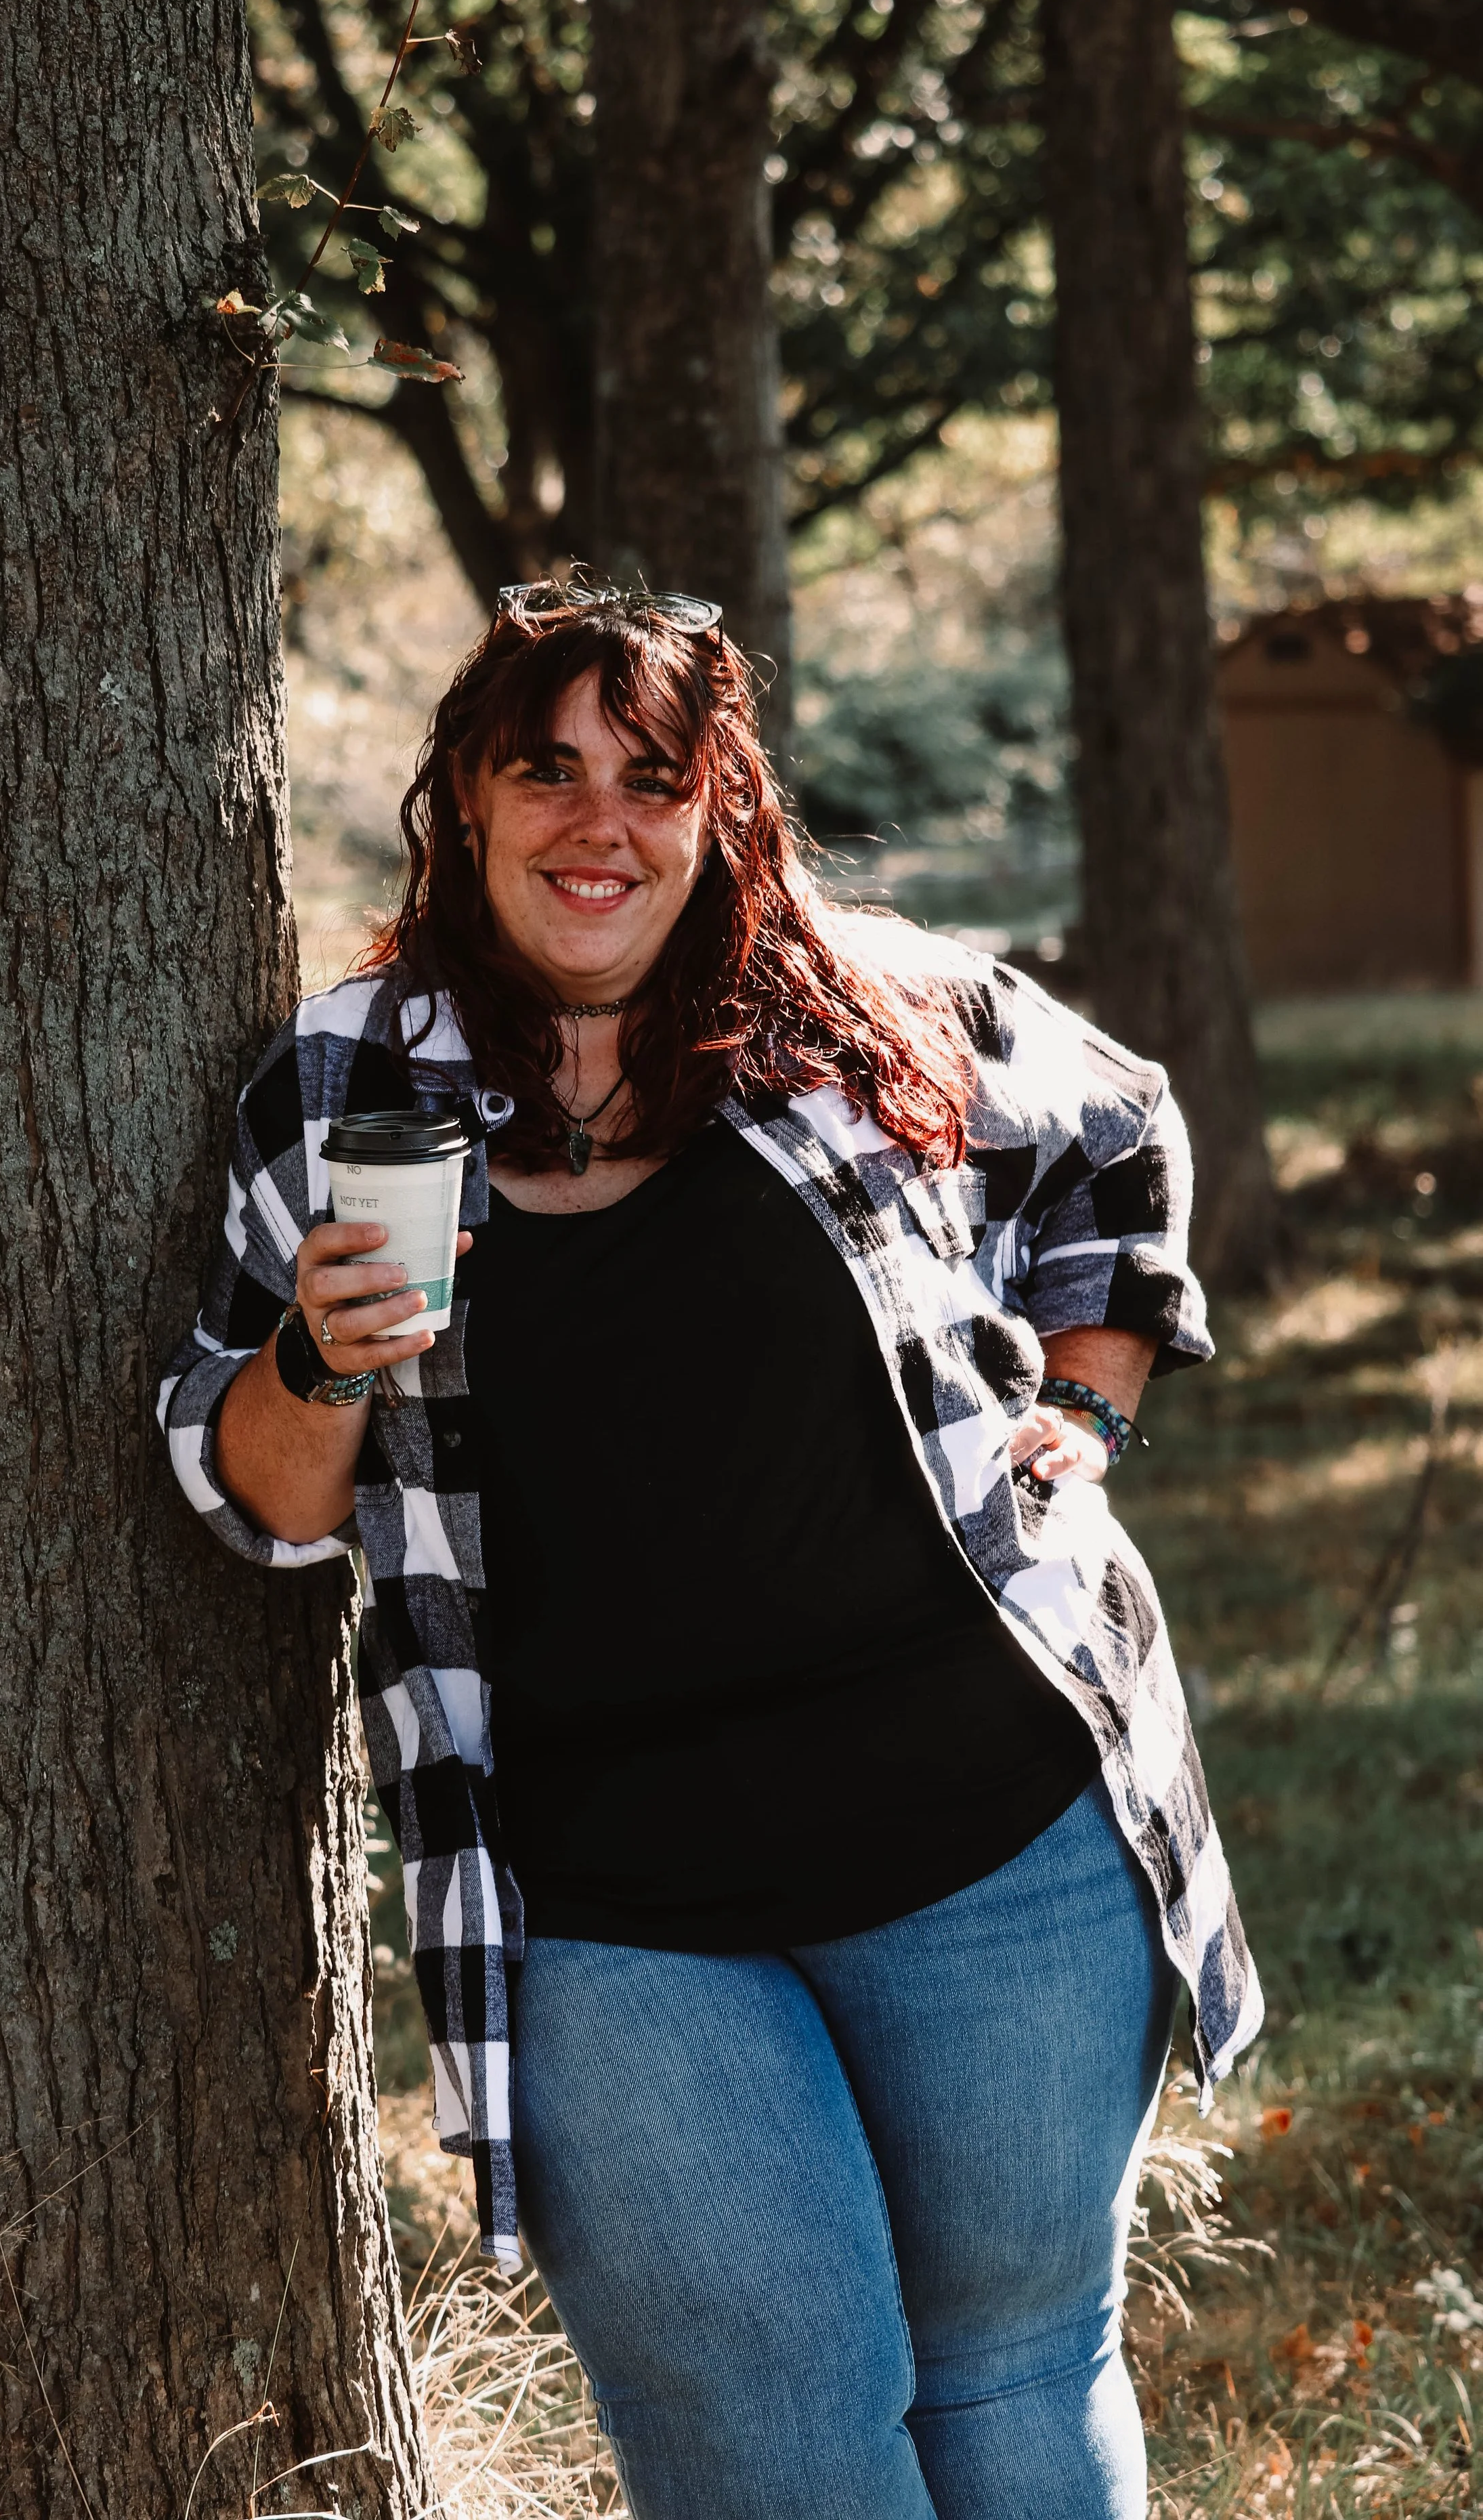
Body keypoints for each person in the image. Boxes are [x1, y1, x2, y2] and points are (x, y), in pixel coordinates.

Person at [158, 578, 1262, 2520]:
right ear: (469, 804)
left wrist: (1083, 1413)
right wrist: (321, 1351)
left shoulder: (851, 1010)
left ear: (715, 805)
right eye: (548, 771)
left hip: (994, 1842)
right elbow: (263, 1499)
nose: (601, 823)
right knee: (773, 2459)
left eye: (651, 779)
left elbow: (1117, 1135)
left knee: (1009, 2367)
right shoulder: (342, 1085)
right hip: (612, 1901)